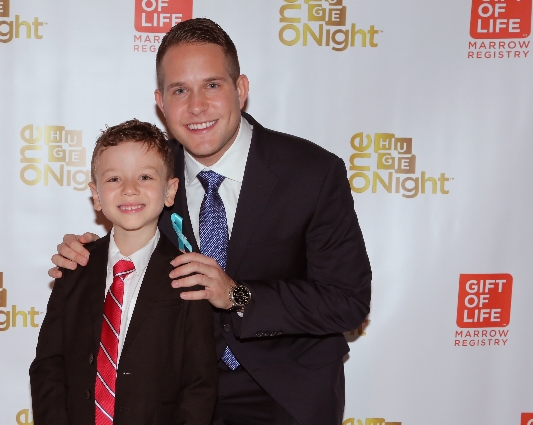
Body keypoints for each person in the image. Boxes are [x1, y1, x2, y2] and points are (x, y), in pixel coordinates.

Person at [48, 19, 371, 425]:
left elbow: (348, 302)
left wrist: (238, 295)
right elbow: (129, 247)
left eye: (212, 85)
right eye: (180, 90)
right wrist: (89, 256)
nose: (196, 106)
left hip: (285, 394)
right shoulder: (148, 176)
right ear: (161, 102)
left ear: (241, 90)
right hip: (173, 400)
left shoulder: (311, 173)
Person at [30, 119, 218, 425]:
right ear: (96, 194)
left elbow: (199, 385)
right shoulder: (75, 267)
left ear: (170, 190)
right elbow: (48, 365)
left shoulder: (188, 275)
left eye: (145, 176)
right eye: (114, 179)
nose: (130, 189)